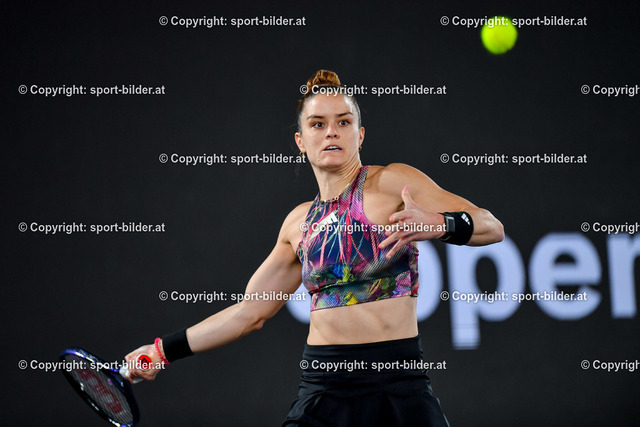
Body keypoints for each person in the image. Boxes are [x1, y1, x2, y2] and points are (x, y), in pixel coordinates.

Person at [125, 69, 504, 426]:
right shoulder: (298, 224)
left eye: (344, 122)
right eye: (318, 124)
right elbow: (248, 313)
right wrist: (161, 351)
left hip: (399, 386)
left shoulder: (392, 182)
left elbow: (491, 227)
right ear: (300, 141)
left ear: (360, 135)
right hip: (324, 389)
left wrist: (442, 224)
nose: (331, 132)